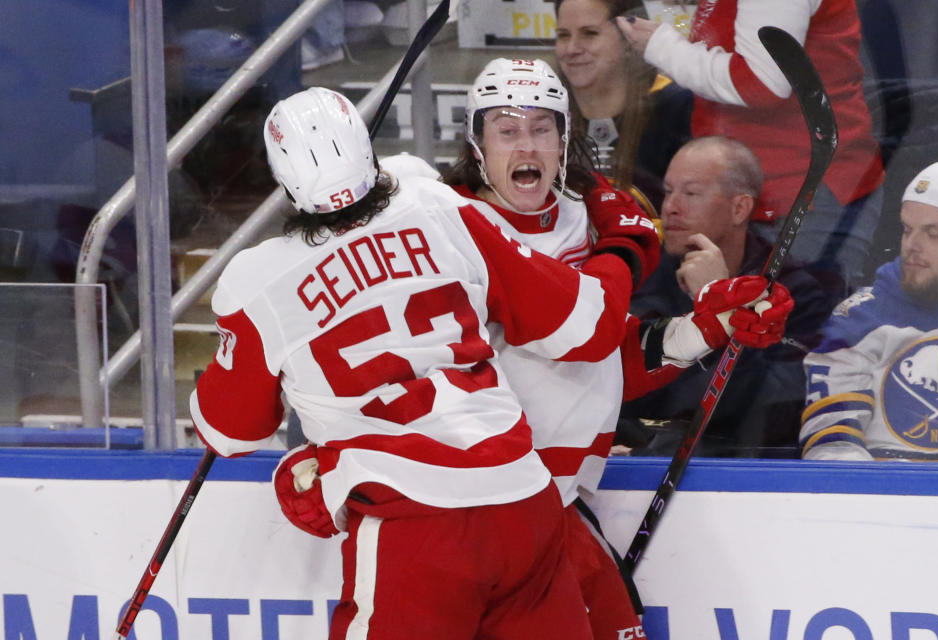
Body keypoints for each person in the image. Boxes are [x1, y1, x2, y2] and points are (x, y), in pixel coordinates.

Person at [191, 86, 639, 639]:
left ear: (281, 180)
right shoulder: (440, 208)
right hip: (523, 503)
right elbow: (584, 326)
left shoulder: (255, 282)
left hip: (414, 525)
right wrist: (622, 247)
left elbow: (229, 432)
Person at [440, 59, 794, 637]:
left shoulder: (587, 219)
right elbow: (578, 332)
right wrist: (629, 241)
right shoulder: (448, 230)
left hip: (560, 505)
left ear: (564, 139)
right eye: (506, 129)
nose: (526, 142)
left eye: (542, 127)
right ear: (477, 144)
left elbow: (605, 360)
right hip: (475, 513)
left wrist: (709, 325)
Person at [615, 0, 886, 292]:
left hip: (805, 193)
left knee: (785, 325)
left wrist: (662, 47)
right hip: (748, 191)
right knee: (722, 318)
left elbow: (762, 82)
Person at [622, 136, 833, 457]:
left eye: (690, 194)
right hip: (645, 465)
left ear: (739, 208)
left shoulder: (796, 291)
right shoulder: (641, 273)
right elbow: (627, 386)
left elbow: (771, 407)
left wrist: (721, 303)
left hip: (741, 473)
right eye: (667, 191)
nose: (670, 207)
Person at [800, 161, 938, 461]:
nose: (912, 244)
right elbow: (833, 449)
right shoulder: (862, 318)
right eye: (907, 229)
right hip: (884, 499)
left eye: (933, 233)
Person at [554, 0, 693, 211]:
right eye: (563, 35)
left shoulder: (677, 108)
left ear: (629, 40)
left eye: (590, 33)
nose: (571, 49)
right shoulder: (546, 113)